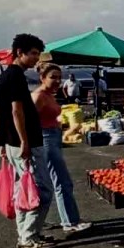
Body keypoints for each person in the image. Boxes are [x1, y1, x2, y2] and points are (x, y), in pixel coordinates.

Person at [0, 34, 57, 248]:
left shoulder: (5, 77)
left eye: (38, 54)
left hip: (12, 142)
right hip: (25, 143)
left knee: (23, 189)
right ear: (19, 52)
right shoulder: (15, 77)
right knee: (42, 190)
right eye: (32, 54)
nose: (36, 59)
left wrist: (3, 142)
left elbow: (0, 113)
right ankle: (28, 238)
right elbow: (15, 111)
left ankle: (27, 234)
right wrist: (24, 141)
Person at [32, 62, 92, 235]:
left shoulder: (49, 94)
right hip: (45, 140)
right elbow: (29, 122)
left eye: (59, 77)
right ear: (42, 78)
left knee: (58, 181)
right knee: (61, 181)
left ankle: (65, 219)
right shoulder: (38, 96)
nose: (58, 81)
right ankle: (70, 221)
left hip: (53, 137)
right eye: (53, 77)